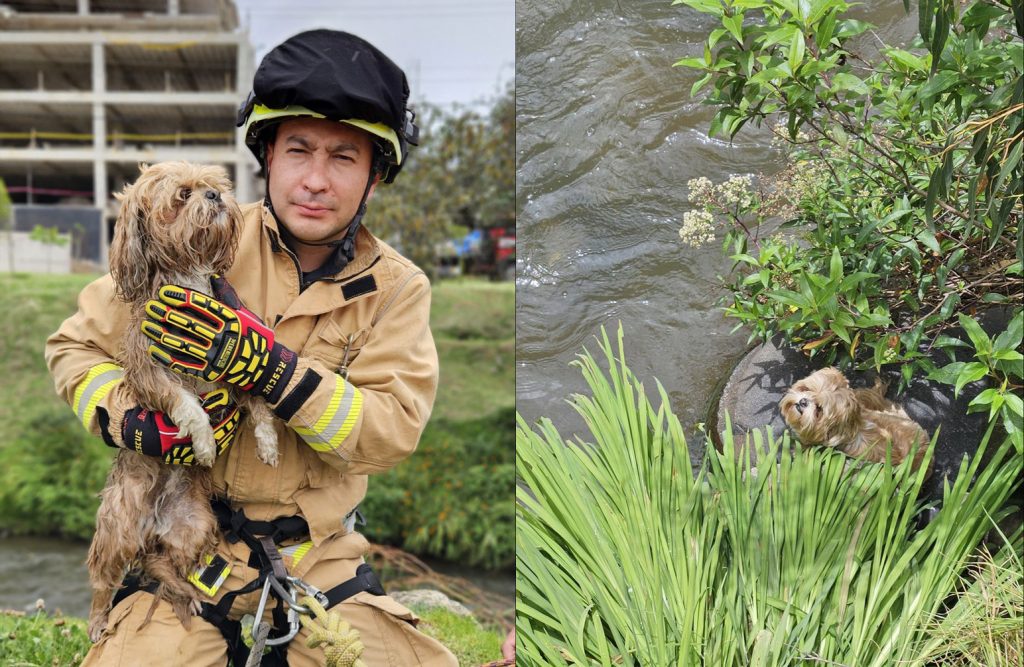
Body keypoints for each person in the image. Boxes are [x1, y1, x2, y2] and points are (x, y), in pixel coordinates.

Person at [45, 29, 458, 666]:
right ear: (268, 154)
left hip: (319, 562)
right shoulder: (197, 231)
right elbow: (74, 347)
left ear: (375, 178)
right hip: (186, 555)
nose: (316, 180)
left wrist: (275, 373)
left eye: (344, 158)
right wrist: (129, 418)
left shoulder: (398, 290)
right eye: (298, 151)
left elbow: (390, 432)